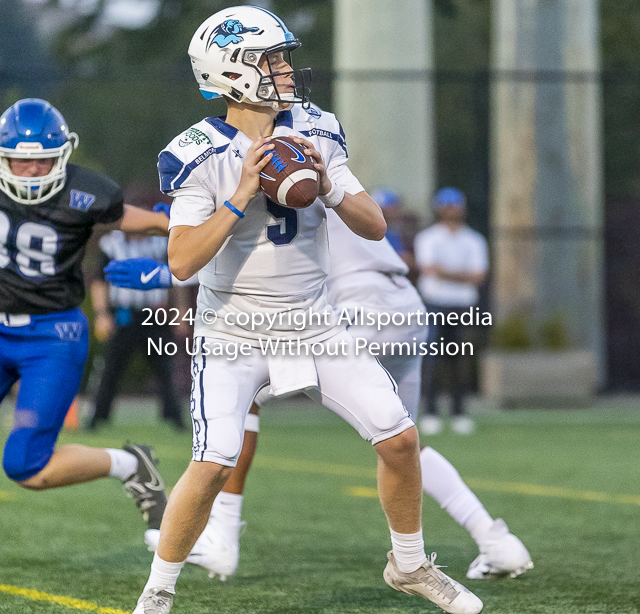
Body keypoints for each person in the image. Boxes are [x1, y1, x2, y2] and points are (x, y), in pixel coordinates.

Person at [125, 5, 484, 614]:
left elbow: (374, 226)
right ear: (233, 72)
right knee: (212, 462)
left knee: (400, 439)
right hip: (232, 332)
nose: (287, 68)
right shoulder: (197, 152)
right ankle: (159, 589)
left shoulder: (314, 127)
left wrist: (329, 183)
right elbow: (181, 261)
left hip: (317, 324)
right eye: (273, 59)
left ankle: (408, 565)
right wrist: (240, 195)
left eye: (285, 57)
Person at [113, 208, 532, 583]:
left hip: (352, 306)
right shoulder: (322, 172)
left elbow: (258, 259)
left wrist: (164, 270)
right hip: (405, 307)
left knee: (243, 387)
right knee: (402, 443)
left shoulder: (271, 177)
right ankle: (497, 541)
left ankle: (222, 536)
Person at [0, 98, 169, 543]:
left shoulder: (85, 191)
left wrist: (210, 221)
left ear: (62, 156)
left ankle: (130, 464)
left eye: (42, 161)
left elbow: (150, 224)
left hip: (51, 335)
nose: (32, 172)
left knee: (26, 468)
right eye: (21, 160)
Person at [88, 228, 185, 431]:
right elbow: (99, 281)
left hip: (155, 315)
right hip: (124, 315)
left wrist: (179, 313)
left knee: (165, 368)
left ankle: (174, 417)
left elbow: (178, 278)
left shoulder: (159, 244)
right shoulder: (112, 243)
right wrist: (102, 314)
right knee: (111, 369)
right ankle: (98, 417)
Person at [413, 188, 488, 435]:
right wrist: (460, 275)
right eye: (447, 206)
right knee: (431, 359)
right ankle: (431, 411)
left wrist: (447, 273)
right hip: (434, 303)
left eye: (455, 205)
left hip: (462, 306)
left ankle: (459, 412)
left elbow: (478, 275)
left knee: (460, 360)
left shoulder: (474, 240)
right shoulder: (428, 238)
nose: (451, 210)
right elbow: (429, 269)